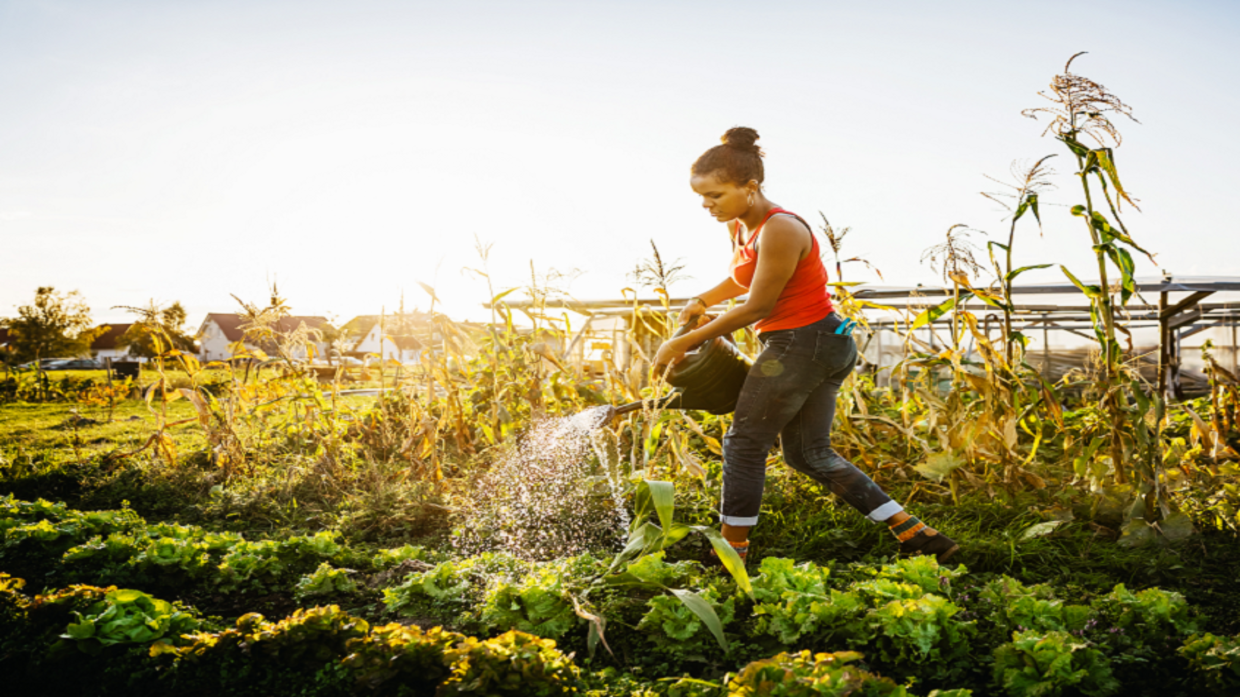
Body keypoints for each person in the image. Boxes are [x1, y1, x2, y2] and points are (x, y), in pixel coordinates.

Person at [653, 127, 958, 565]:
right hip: (818, 344)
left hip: (804, 343)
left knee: (744, 443)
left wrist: (682, 341)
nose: (707, 205)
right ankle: (917, 534)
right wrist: (703, 300)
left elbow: (759, 304)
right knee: (807, 454)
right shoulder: (743, 227)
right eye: (702, 196)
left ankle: (730, 554)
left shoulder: (781, 228)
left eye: (715, 195)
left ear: (750, 187)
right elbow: (744, 278)